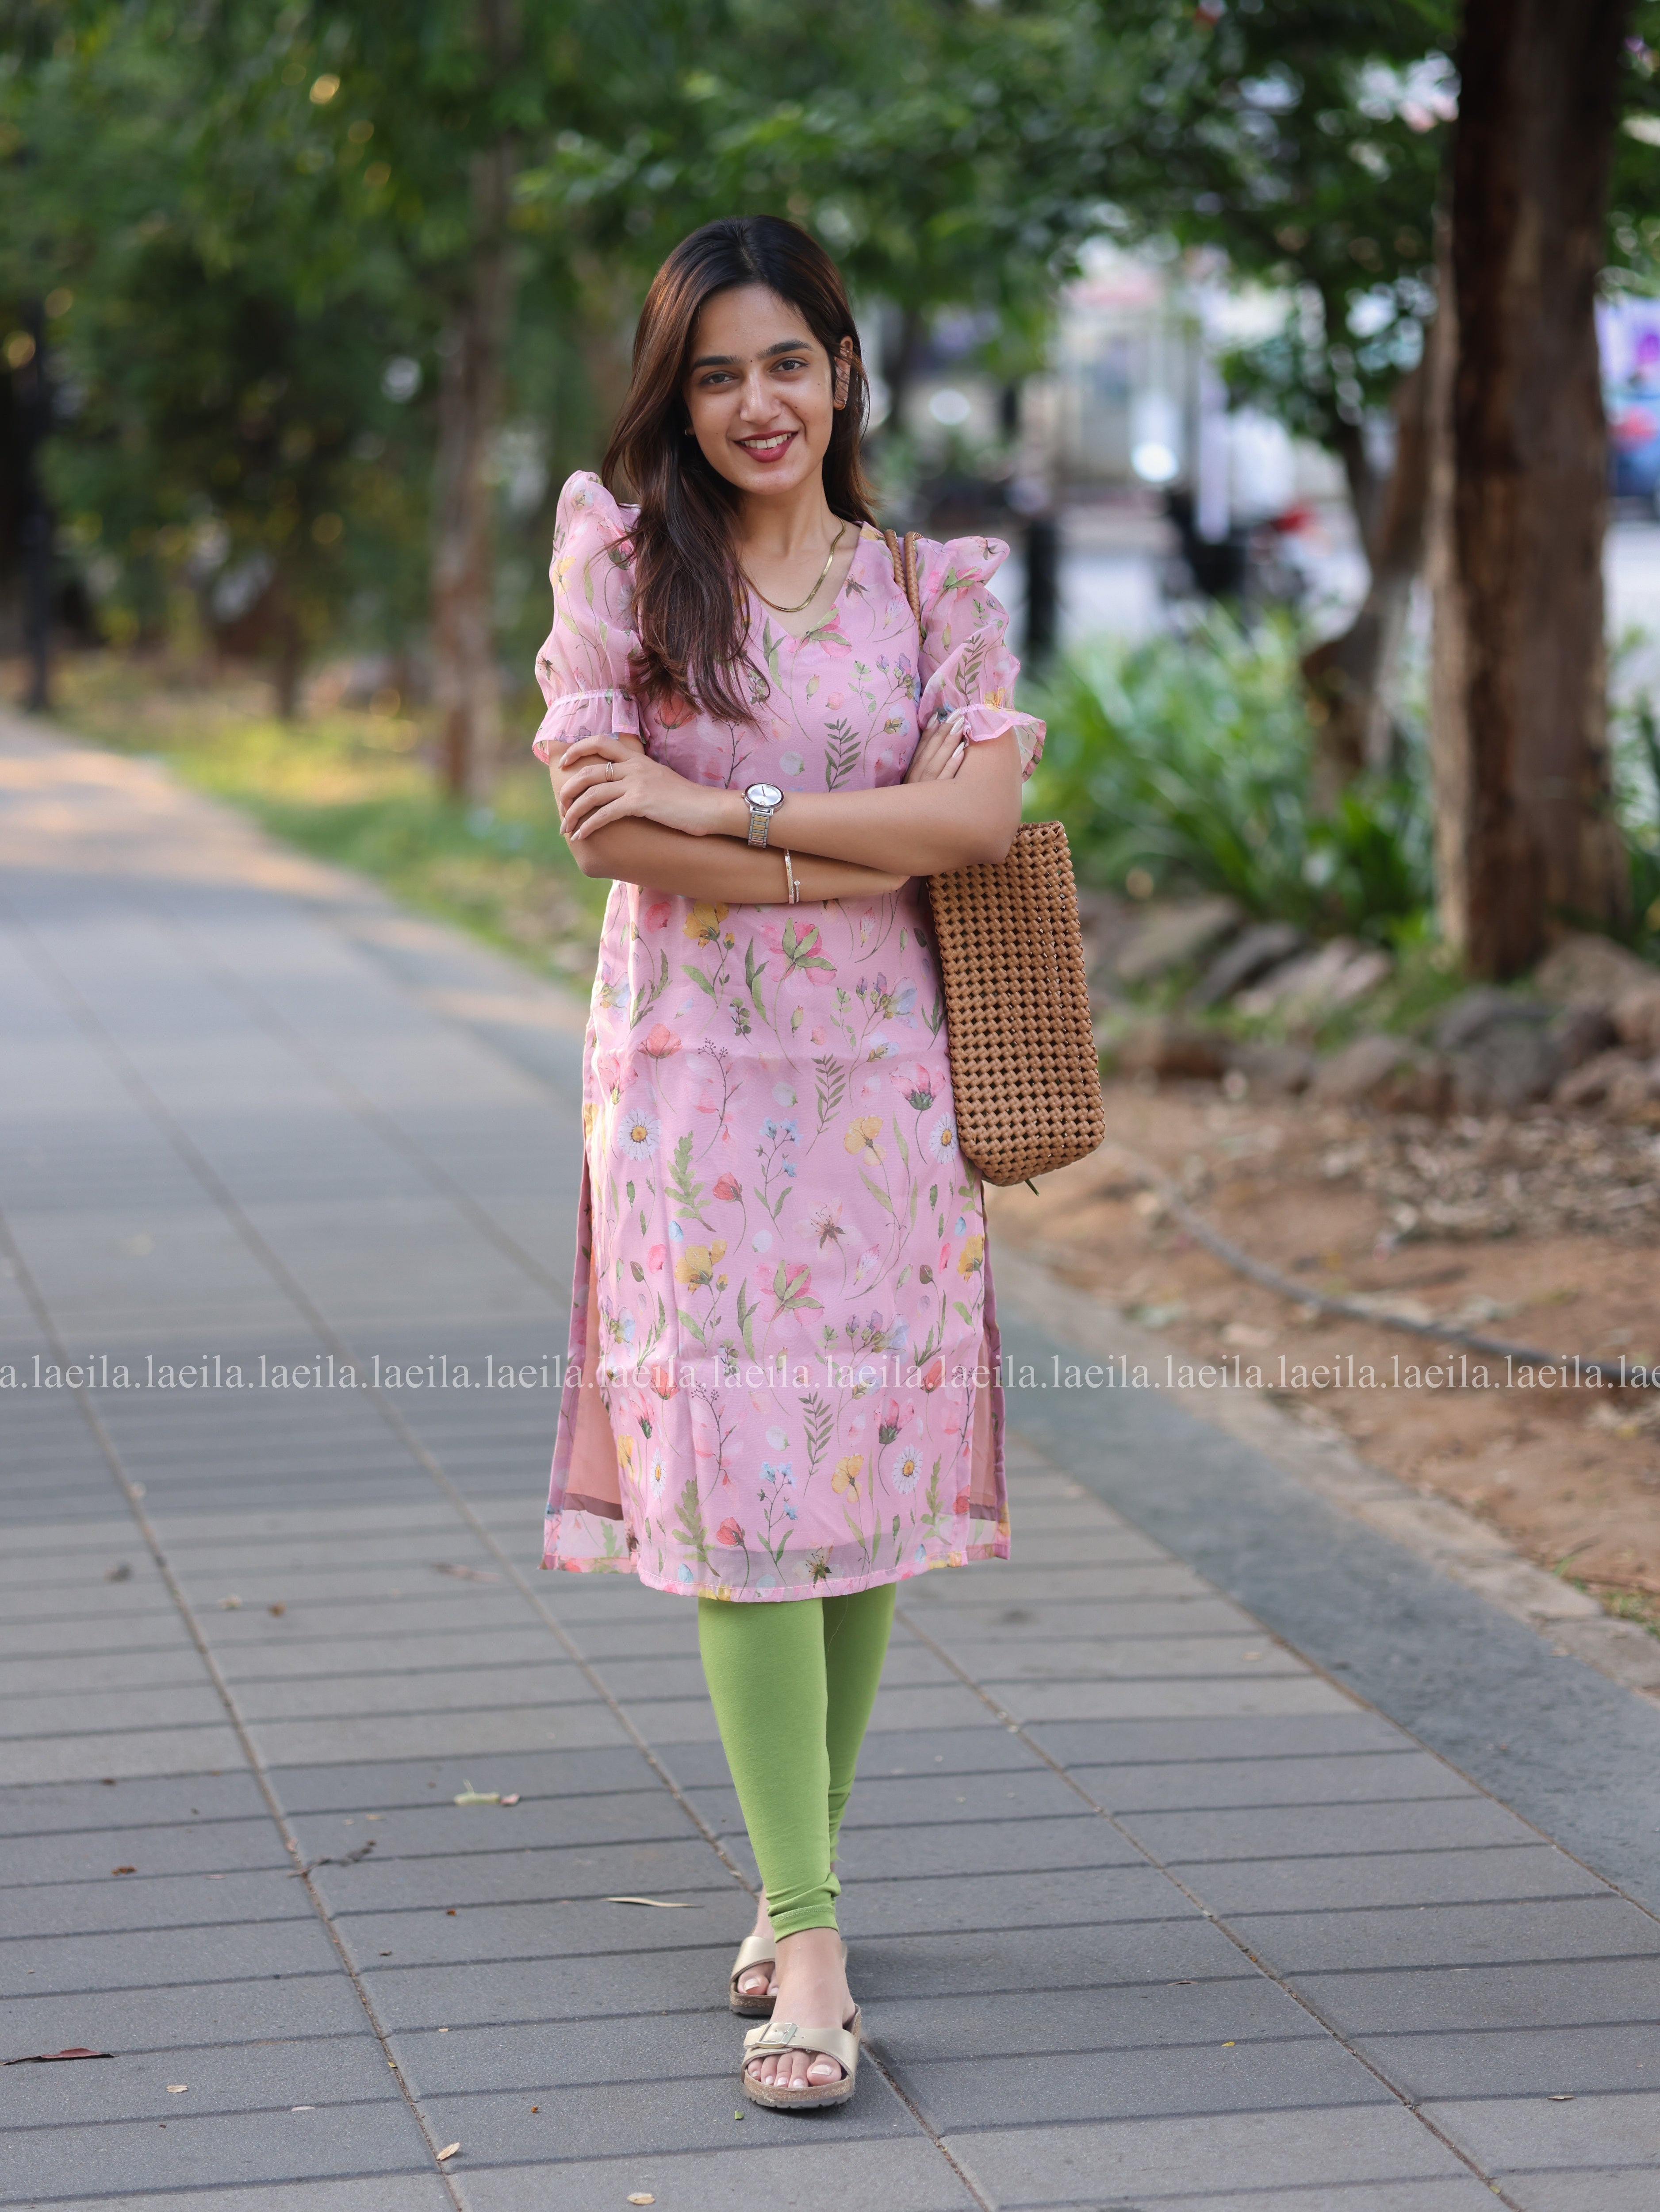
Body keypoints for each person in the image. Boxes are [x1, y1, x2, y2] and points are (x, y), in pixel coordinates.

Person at [532, 214, 1045, 2111]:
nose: (757, 403)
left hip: (885, 1095)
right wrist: (850, 843)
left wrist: (726, 803)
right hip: (695, 1092)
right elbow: (605, 834)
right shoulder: (622, 560)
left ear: (843, 370)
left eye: (787, 363)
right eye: (716, 373)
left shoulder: (931, 584)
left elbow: (976, 822)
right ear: (676, 395)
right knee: (747, 1483)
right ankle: (809, 1940)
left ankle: (786, 1877)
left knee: (860, 1473)